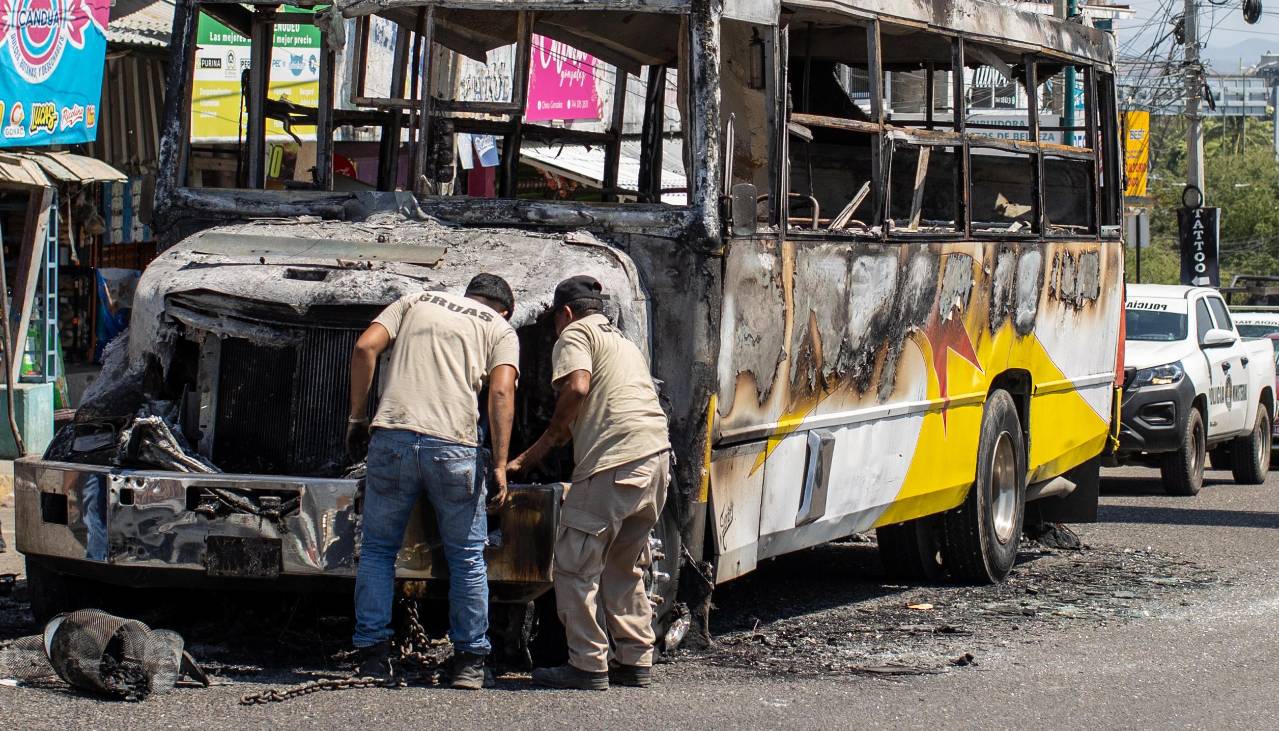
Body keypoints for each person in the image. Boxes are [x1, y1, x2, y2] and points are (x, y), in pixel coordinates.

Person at [346, 274, 519, 690]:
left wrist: (357, 417)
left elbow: (365, 347)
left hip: (393, 437)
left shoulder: (415, 300)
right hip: (454, 447)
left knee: (377, 551)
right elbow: (499, 392)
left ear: (466, 296)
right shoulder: (499, 328)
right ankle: (469, 663)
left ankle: (372, 657)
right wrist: (498, 464)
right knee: (466, 559)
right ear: (506, 308)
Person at [509, 275, 671, 691]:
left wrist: (533, 454)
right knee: (624, 564)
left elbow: (577, 386)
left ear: (564, 313)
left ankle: (586, 664)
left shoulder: (576, 333)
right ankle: (635, 659)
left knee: (574, 564)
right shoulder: (621, 340)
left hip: (613, 463)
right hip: (655, 458)